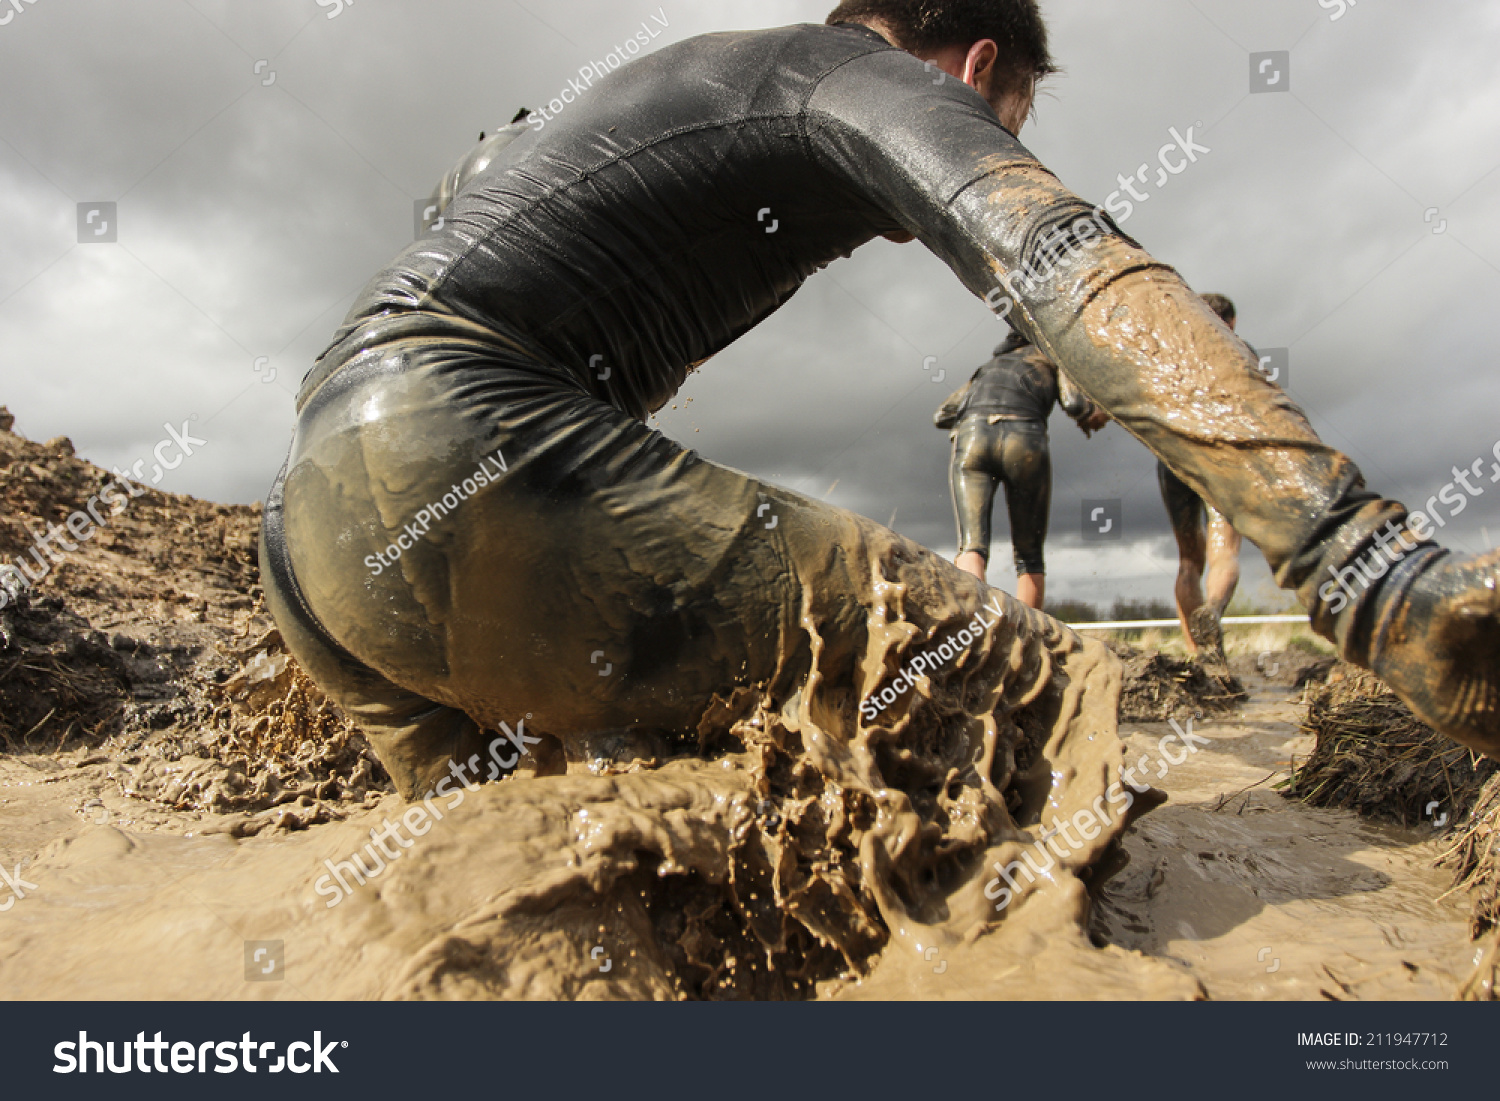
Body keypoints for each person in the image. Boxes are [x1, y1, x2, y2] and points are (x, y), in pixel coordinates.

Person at [261, 0, 1500, 807]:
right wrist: (1371, 572)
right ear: (970, 70)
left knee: (515, 860)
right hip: (464, 443)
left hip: (308, 538)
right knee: (1026, 681)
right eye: (1002, 117)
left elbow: (457, 199)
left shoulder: (673, 84)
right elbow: (1068, 258)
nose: (990, 137)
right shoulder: (845, 72)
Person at [937, 330, 1105, 606]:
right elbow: (1075, 403)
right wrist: (1093, 414)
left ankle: (977, 631)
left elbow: (942, 414)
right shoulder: (1049, 357)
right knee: (1029, 556)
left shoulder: (987, 368)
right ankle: (1028, 640)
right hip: (1024, 438)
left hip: (973, 437)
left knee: (972, 547)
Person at [1157, 293, 1244, 660]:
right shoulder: (1238, 351)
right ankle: (1214, 610)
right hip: (1219, 454)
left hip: (1172, 455)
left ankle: (1198, 655)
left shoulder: (1168, 356)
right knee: (1224, 549)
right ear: (1230, 323)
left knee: (1189, 561)